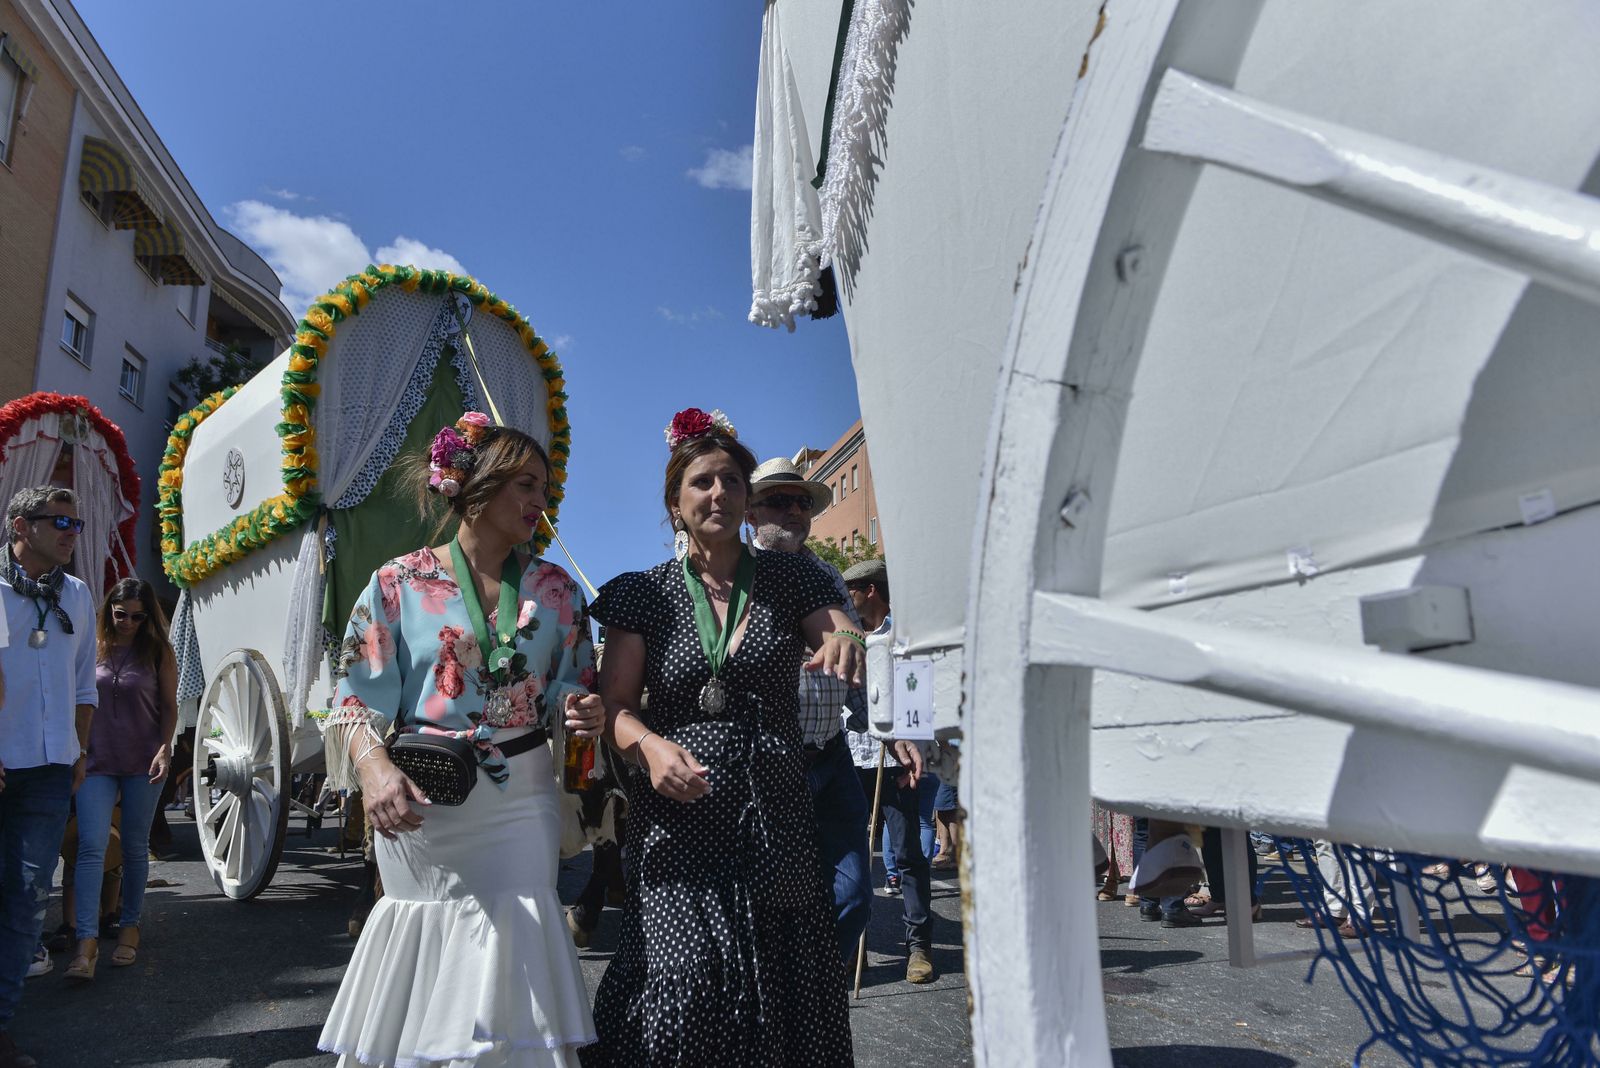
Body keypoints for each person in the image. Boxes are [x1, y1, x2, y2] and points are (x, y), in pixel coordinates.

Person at [315, 413, 606, 1068]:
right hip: (423, 796)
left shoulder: (557, 591)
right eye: (526, 485)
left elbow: (566, 683)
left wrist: (579, 705)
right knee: (425, 942)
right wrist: (374, 772)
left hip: (519, 799)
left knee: (512, 944)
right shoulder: (398, 582)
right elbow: (356, 697)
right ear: (475, 486)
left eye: (545, 487)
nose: (540, 502)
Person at [583, 408, 862, 1065]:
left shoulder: (791, 579)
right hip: (677, 812)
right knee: (684, 975)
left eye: (731, 482)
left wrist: (845, 638)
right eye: (702, 482)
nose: (718, 493)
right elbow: (616, 704)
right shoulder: (642, 595)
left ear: (746, 498)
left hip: (774, 813)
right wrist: (649, 749)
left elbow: (834, 627)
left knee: (782, 979)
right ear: (675, 503)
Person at [745, 456, 920, 969]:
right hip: (765, 761)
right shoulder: (733, 577)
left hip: (831, 755)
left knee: (853, 898)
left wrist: (891, 730)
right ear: (750, 513)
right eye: (780, 501)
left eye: (802, 502)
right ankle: (783, 999)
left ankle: (811, 985)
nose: (796, 510)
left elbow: (856, 672)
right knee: (766, 899)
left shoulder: (827, 576)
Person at [0, 487, 98, 1067]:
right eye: (59, 521)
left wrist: (79, 749)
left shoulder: (79, 595)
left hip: (51, 767)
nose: (70, 532)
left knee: (27, 897)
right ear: (21, 525)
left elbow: (84, 682)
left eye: (76, 523)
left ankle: (2, 1027)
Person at [63, 578, 176, 981]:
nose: (128, 622)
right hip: (94, 761)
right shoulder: (90, 646)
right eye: (121, 613)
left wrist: (165, 747)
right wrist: (75, 749)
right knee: (92, 848)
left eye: (138, 616)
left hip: (143, 761)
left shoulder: (158, 650)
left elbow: (168, 706)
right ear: (109, 609)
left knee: (133, 848)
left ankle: (130, 926)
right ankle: (87, 942)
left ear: (148, 618)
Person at [841, 557, 934, 984]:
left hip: (894, 763)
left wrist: (908, 743)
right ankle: (849, 946)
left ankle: (919, 946)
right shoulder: (845, 635)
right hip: (848, 759)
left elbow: (918, 699)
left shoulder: (904, 639)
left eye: (853, 590)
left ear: (870, 590)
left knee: (907, 854)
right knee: (853, 860)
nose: (848, 597)